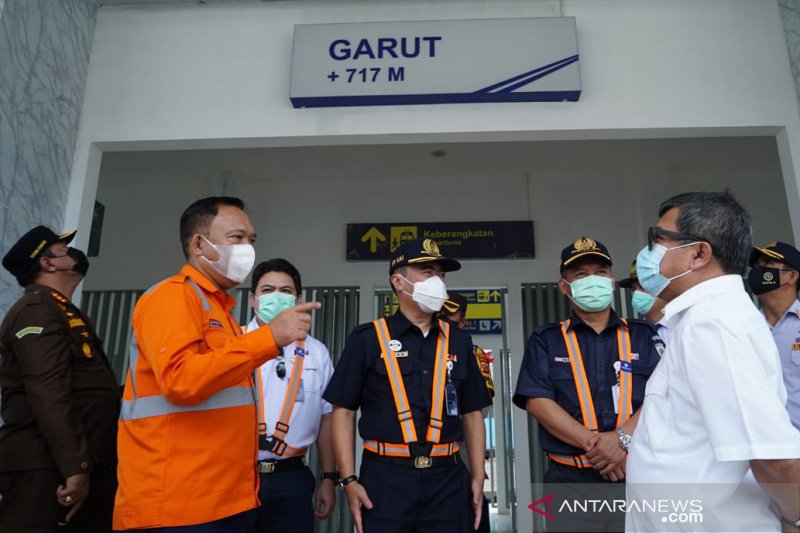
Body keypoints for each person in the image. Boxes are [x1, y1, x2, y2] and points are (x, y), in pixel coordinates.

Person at [113, 197, 320, 531]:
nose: (247, 249)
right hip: (177, 505)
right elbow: (181, 380)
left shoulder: (220, 312)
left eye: (251, 240)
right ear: (199, 244)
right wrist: (268, 339)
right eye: (237, 238)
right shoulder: (173, 296)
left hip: (222, 501)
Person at [627, 191, 800, 533]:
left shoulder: (716, 325)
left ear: (698, 253)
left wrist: (794, 518)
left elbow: (773, 456)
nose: (648, 253)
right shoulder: (700, 320)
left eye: (658, 240)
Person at [324, 238, 491, 533]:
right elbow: (343, 412)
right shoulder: (367, 339)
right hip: (385, 479)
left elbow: (473, 412)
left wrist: (478, 475)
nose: (437, 281)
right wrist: (348, 480)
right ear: (398, 282)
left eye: (441, 274)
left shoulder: (459, 341)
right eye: (427, 272)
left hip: (449, 478)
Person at [513, 236, 662, 532]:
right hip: (570, 482)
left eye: (600, 272)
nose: (592, 280)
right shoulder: (546, 339)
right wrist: (600, 447)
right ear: (564, 287)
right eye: (581, 274)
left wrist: (621, 441)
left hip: (635, 475)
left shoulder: (643, 335)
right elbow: (538, 402)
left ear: (611, 279)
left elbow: (662, 394)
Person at [0, 226, 120, 532]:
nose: (74, 256)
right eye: (64, 251)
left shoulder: (61, 310)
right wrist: (75, 467)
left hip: (73, 462)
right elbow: (47, 391)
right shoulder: (36, 312)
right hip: (44, 465)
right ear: (48, 264)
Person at [245, 258, 336, 532]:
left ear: (298, 299)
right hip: (236, 476)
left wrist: (329, 478)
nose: (277, 296)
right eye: (268, 289)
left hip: (292, 477)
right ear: (252, 299)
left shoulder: (316, 352)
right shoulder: (232, 343)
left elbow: (327, 418)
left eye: (285, 291)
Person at [440, 291, 494, 533]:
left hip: (460, 446)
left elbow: (479, 409)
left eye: (451, 321)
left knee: (469, 516)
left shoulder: (472, 353)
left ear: (463, 322)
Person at [748, 241, 800, 430]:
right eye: (757, 265)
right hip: (765, 445)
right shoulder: (745, 327)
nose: (758, 270)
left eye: (768, 264)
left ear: (792, 276)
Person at [618, 259, 668, 341]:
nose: (637, 293)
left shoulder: (683, 324)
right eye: (633, 289)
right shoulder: (635, 333)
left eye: (643, 286)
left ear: (663, 285)